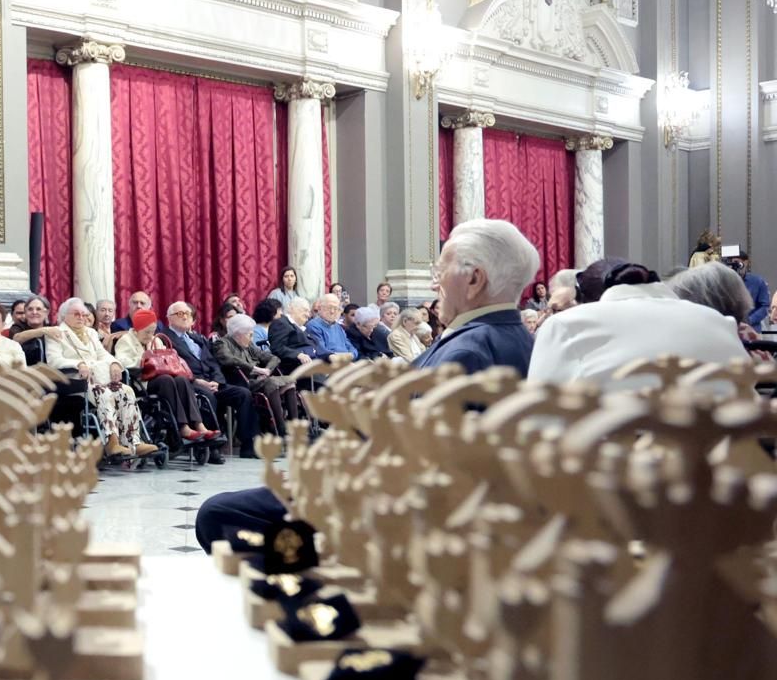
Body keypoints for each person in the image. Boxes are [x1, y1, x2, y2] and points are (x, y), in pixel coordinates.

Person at [198, 219, 541, 554]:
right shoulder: (515, 339)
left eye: (440, 272)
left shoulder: (468, 352)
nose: (435, 283)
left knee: (217, 515)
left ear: (474, 279)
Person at [530, 258, 747, 390]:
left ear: (583, 299)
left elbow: (540, 419)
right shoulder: (717, 321)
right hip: (730, 461)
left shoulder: (564, 325)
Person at [412, 219, 541, 374]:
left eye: (440, 272)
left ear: (474, 279)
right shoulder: (526, 340)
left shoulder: (464, 356)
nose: (433, 286)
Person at [46, 297, 157, 459]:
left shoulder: (90, 332)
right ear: (64, 315)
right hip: (75, 380)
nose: (81, 318)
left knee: (126, 391)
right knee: (103, 393)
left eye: (84, 315)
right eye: (76, 314)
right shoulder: (56, 333)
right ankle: (111, 441)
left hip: (99, 377)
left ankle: (134, 441)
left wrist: (113, 363)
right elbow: (54, 360)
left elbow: (102, 354)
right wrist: (79, 364)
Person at [162, 301, 253, 456]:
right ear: (169, 318)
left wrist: (217, 381)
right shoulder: (165, 339)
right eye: (179, 314)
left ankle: (248, 445)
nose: (185, 317)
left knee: (243, 393)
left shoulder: (198, 338)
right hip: (191, 383)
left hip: (212, 382)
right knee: (208, 397)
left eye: (187, 314)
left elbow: (214, 363)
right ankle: (210, 448)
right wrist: (197, 381)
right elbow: (173, 367)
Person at [115, 308, 215, 448]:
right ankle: (183, 427)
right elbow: (122, 362)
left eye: (153, 331)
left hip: (163, 378)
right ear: (137, 328)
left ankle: (198, 424)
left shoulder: (156, 340)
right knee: (167, 380)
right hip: (142, 382)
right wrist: (143, 359)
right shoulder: (126, 341)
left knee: (181, 380)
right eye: (147, 332)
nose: (150, 335)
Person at [214, 313, 298, 438]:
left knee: (290, 381)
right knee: (272, 383)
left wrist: (267, 371)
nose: (252, 338)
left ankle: (293, 425)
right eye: (250, 334)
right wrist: (255, 369)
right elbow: (228, 359)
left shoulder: (249, 345)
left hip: (259, 380)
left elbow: (274, 358)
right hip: (240, 383)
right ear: (238, 334)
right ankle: (280, 428)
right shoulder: (222, 343)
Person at [268, 296, 320, 368]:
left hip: (312, 364)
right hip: (294, 367)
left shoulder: (301, 327)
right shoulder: (281, 323)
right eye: (305, 310)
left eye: (309, 311)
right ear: (292, 309)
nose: (308, 315)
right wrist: (298, 355)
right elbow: (277, 348)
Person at [724, 249, 770, 329]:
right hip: (729, 328)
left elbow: (765, 306)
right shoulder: (724, 282)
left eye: (737, 262)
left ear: (746, 262)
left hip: (752, 329)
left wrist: (749, 320)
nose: (734, 266)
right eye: (731, 263)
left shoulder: (757, 282)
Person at [305, 294, 357, 358]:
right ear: (319, 308)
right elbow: (322, 351)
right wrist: (343, 356)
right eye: (329, 307)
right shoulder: (313, 326)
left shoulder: (338, 327)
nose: (332, 311)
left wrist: (352, 354)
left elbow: (351, 347)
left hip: (345, 361)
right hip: (329, 364)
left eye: (335, 308)